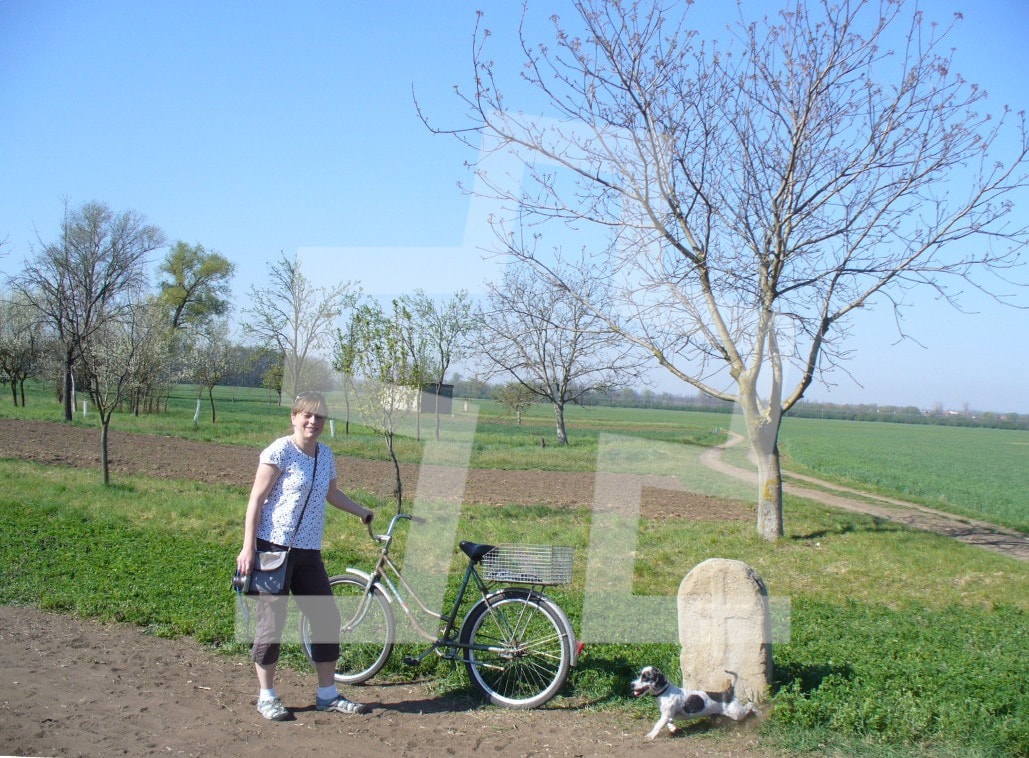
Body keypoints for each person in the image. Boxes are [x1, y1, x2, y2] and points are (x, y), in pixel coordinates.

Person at [235, 391, 374, 721]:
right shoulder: (280, 451)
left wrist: (361, 511)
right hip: (274, 549)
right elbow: (256, 500)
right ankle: (267, 696)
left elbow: (331, 493)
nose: (313, 422)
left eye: (319, 417)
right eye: (307, 415)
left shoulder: (325, 455)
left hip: (309, 551)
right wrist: (248, 547)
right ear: (294, 417)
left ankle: (327, 694)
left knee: (326, 619)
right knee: (272, 624)